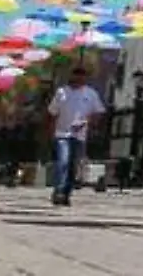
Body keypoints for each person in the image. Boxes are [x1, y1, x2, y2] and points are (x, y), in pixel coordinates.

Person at [48, 66, 106, 207]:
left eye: (82, 75)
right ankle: (59, 191)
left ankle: (67, 193)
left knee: (73, 167)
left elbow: (98, 112)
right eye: (77, 75)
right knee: (63, 162)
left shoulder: (91, 94)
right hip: (62, 134)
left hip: (79, 136)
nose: (79, 78)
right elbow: (52, 113)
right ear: (72, 76)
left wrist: (86, 122)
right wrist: (51, 133)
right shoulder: (62, 92)